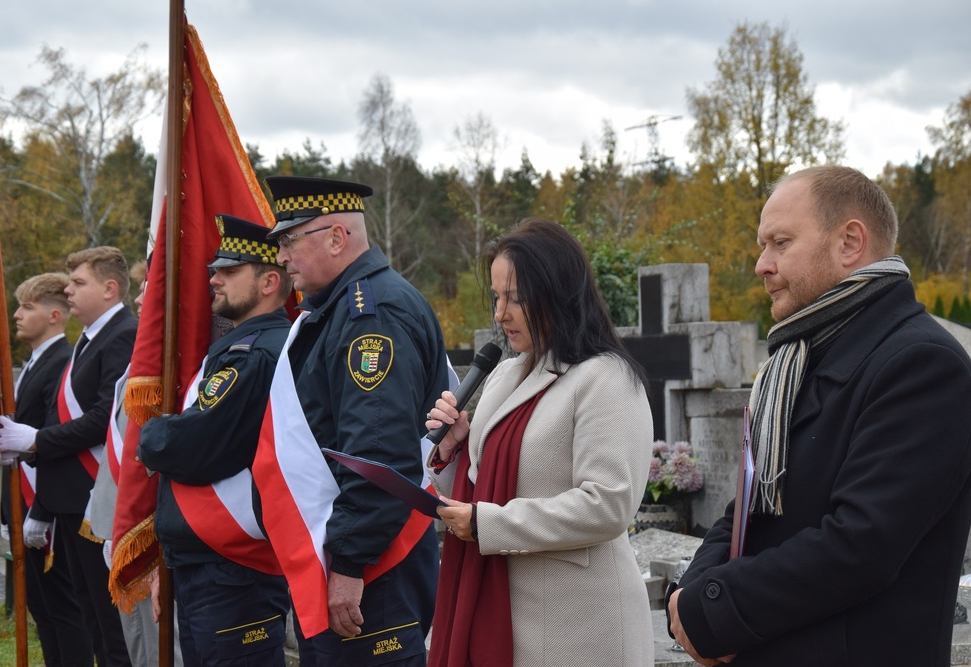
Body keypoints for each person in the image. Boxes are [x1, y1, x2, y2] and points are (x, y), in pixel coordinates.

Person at [666, 166, 971, 666]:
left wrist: (718, 611)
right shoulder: (794, 363)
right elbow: (747, 510)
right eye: (762, 246)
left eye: (779, 243)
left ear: (850, 242)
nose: (761, 265)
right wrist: (694, 602)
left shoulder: (922, 365)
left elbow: (859, 546)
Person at [425, 217, 655, 666]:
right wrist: (452, 453)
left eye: (516, 298)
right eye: (496, 297)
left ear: (556, 292)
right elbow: (479, 490)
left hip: (580, 627)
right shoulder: (506, 374)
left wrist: (488, 525)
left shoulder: (606, 378)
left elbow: (608, 504)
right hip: (501, 610)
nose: (499, 314)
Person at [258, 176, 450, 666]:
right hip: (364, 552)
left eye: (288, 241)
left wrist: (348, 561)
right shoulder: (342, 308)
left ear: (337, 238)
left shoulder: (371, 315)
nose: (281, 257)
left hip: (374, 565)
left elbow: (377, 453)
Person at [138, 214, 294, 666]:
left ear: (268, 281)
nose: (214, 278)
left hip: (233, 566)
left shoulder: (257, 354)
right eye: (215, 268)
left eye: (230, 270)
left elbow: (189, 445)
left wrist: (152, 433)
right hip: (212, 559)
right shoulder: (242, 348)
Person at [0, 246, 137, 666]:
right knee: (90, 615)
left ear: (110, 289)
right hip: (72, 500)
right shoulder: (90, 339)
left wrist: (37, 440)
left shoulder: (122, 334)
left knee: (109, 628)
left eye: (79, 283)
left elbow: (102, 417)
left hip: (97, 499)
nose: (69, 290)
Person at [0, 272, 92, 667]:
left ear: (56, 315)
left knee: (63, 610)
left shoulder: (61, 363)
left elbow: (52, 437)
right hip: (25, 500)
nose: (17, 314)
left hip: (47, 506)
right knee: (42, 609)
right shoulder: (37, 361)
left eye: (27, 307)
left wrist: (41, 511)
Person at [86, 260, 165, 666]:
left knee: (157, 651)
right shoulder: (145, 356)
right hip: (121, 520)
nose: (139, 298)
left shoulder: (172, 359)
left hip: (149, 529)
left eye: (149, 288)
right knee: (137, 648)